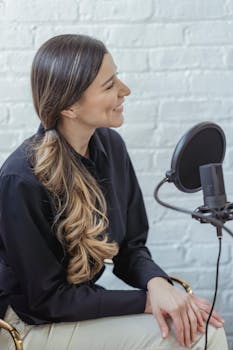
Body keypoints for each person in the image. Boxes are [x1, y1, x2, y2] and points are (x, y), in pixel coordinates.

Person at [0, 34, 228, 350]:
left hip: (72, 312)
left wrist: (158, 284)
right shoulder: (20, 179)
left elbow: (130, 247)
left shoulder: (110, 146)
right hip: (27, 326)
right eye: (109, 86)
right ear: (69, 106)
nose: (125, 90)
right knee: (187, 340)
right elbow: (46, 301)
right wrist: (148, 302)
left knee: (205, 331)